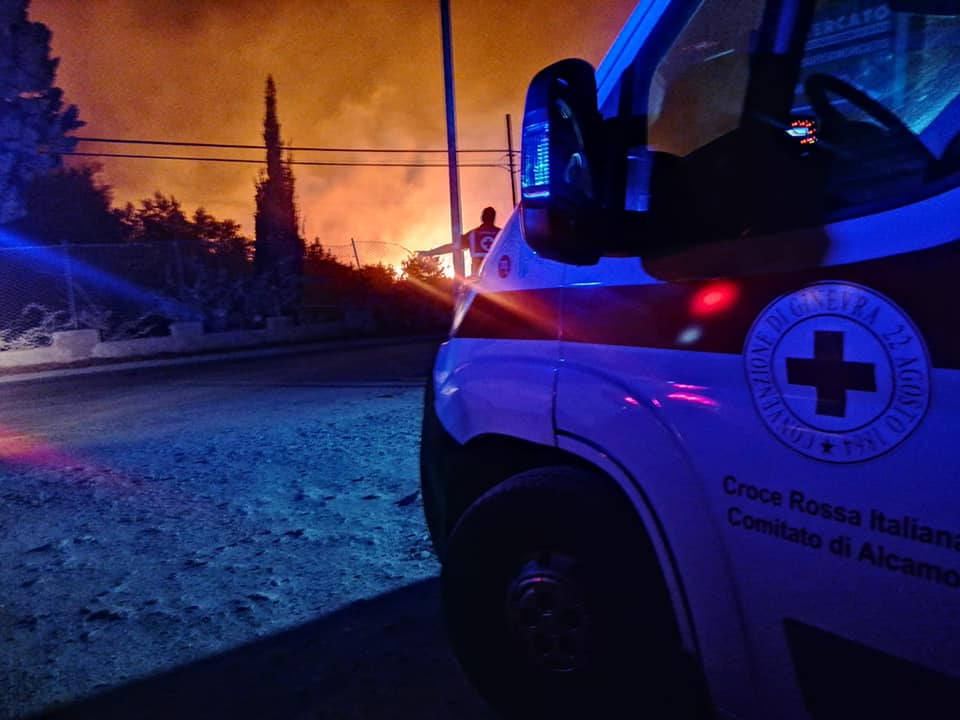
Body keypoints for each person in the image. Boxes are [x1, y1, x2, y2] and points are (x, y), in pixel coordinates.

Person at [419, 206, 501, 276]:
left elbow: (451, 247)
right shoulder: (502, 234)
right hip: (500, 279)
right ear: (494, 218)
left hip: (477, 281)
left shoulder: (473, 235)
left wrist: (430, 252)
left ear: (482, 217)